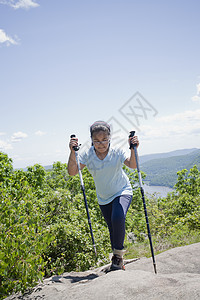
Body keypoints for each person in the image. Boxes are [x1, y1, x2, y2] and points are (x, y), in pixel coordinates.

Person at [67, 120, 139, 270]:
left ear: (109, 138)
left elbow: (132, 165)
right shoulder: (88, 155)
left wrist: (133, 149)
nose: (101, 144)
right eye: (97, 141)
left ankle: (118, 257)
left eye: (104, 140)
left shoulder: (117, 151)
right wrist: (72, 152)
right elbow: (72, 172)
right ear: (92, 140)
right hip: (104, 197)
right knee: (112, 227)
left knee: (118, 217)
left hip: (122, 191)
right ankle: (116, 258)